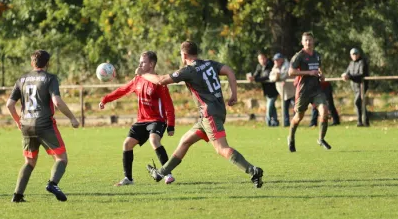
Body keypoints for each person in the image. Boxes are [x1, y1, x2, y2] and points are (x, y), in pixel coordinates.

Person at [136, 41, 264, 188]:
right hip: (215, 112)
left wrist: (143, 74)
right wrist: (234, 94)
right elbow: (228, 70)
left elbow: (161, 80)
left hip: (209, 114)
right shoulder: (209, 64)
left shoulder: (189, 70)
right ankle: (161, 173)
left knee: (221, 148)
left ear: (184, 55)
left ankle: (252, 170)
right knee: (185, 141)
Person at [6, 50, 80, 203]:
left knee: (29, 162)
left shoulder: (22, 79)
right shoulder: (50, 78)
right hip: (45, 124)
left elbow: (10, 104)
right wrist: (72, 118)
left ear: (32, 63)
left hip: (26, 125)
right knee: (61, 158)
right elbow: (57, 102)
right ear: (47, 63)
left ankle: (17, 196)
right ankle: (52, 184)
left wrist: (17, 121)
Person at [99, 51, 176, 186]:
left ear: (151, 64)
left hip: (157, 120)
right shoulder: (137, 80)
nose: (140, 64)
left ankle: (168, 174)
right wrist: (105, 99)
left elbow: (168, 104)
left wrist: (171, 125)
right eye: (139, 62)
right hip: (142, 121)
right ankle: (128, 179)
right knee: (127, 144)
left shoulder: (159, 82)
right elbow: (122, 90)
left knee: (154, 140)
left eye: (143, 62)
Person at [287, 32, 331, 152]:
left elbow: (319, 68)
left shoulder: (317, 55)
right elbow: (291, 72)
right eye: (305, 40)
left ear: (313, 41)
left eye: (310, 40)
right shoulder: (299, 56)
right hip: (303, 91)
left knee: (325, 111)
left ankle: (321, 139)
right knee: (298, 117)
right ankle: (290, 138)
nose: (308, 42)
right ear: (302, 42)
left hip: (316, 90)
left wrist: (322, 75)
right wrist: (308, 73)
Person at [248, 53, 279, 126]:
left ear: (266, 58)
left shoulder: (270, 65)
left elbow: (267, 76)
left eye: (262, 58)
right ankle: (275, 122)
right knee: (272, 107)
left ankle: (268, 122)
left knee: (269, 106)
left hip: (274, 89)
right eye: (259, 59)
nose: (261, 60)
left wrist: (255, 79)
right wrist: (252, 77)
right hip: (266, 90)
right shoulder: (259, 66)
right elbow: (256, 74)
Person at [341, 47, 370, 127]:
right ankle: (366, 121)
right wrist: (344, 75)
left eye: (356, 54)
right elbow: (347, 72)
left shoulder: (362, 62)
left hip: (362, 86)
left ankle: (359, 121)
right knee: (361, 103)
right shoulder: (351, 63)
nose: (354, 55)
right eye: (353, 54)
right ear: (350, 55)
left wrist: (349, 76)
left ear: (359, 54)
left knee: (357, 102)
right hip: (355, 87)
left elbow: (361, 74)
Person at [269, 53, 295, 127]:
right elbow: (271, 77)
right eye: (275, 60)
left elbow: (283, 76)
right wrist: (276, 76)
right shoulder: (275, 67)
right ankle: (286, 123)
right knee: (284, 108)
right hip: (283, 92)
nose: (275, 62)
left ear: (281, 59)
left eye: (277, 60)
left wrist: (277, 76)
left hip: (292, 90)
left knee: (295, 107)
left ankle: (295, 122)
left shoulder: (287, 65)